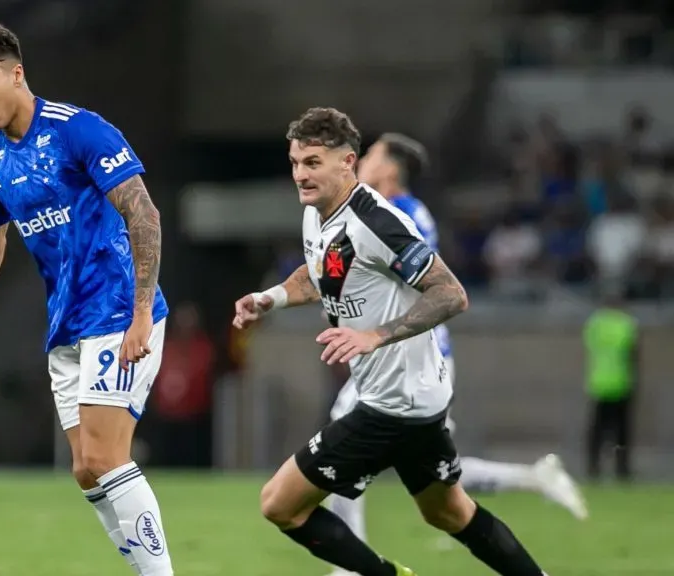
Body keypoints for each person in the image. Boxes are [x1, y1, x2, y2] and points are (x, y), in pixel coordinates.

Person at [233, 107, 549, 576]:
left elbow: (450, 293)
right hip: (415, 397)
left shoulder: (377, 221)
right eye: (296, 161)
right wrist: (271, 298)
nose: (300, 173)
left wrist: (375, 335)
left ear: (348, 162)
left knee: (280, 503)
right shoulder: (318, 214)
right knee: (448, 512)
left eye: (313, 162)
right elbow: (322, 274)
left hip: (391, 403)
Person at [0, 22, 173, 575]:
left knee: (108, 457)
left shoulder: (80, 130)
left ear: (17, 73)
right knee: (86, 468)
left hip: (116, 308)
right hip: (65, 322)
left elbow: (144, 213)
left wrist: (139, 312)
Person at [321, 134, 587, 574]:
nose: (362, 161)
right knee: (437, 477)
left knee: (344, 439)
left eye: (369, 155)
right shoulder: (396, 212)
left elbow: (409, 284)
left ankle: (349, 566)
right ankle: (534, 478)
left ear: (388, 170)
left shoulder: (396, 215)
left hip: (406, 359)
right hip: (406, 356)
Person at [583, 291, 638, 481]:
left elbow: (590, 346)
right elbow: (633, 355)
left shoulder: (595, 323)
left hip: (599, 383)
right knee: (621, 432)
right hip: (622, 383)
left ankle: (593, 467)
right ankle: (621, 469)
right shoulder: (626, 324)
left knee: (598, 430)